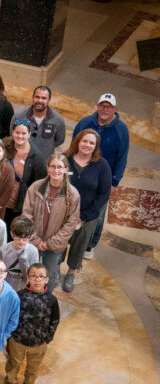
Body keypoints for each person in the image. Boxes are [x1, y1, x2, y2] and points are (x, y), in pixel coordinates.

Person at [72, 93, 129, 260]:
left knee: (97, 213)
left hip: (104, 178)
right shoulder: (85, 123)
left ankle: (89, 244)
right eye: (102, 106)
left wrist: (114, 182)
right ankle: (71, 236)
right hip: (80, 172)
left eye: (109, 107)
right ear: (97, 106)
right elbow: (73, 145)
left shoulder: (121, 129)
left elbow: (122, 156)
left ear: (115, 109)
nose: (105, 109)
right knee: (73, 205)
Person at [0, 263, 60, 384]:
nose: (37, 280)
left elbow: (54, 320)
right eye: (33, 276)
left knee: (32, 368)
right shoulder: (18, 296)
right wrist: (10, 336)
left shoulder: (51, 300)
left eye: (41, 277)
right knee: (13, 364)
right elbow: (10, 316)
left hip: (39, 343)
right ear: (28, 278)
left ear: (47, 280)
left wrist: (48, 337)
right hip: (18, 341)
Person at [60, 129, 111, 293]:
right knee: (59, 242)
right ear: (78, 141)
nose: (87, 145)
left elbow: (104, 194)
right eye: (85, 141)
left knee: (79, 246)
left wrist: (85, 216)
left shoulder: (102, 165)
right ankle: (54, 269)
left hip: (87, 217)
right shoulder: (64, 159)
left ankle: (71, 273)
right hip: (61, 213)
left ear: (95, 147)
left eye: (91, 143)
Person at [22, 153, 80, 291]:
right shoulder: (36, 187)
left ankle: (47, 300)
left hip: (55, 245)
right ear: (47, 168)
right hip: (33, 240)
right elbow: (26, 214)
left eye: (60, 167)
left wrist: (49, 243)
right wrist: (35, 239)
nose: (56, 170)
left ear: (66, 169)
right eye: (53, 166)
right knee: (29, 272)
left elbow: (71, 223)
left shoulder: (73, 194)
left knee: (51, 276)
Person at [3, 121, 46, 229]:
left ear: (29, 134)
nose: (20, 136)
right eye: (17, 132)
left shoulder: (36, 157)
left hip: (17, 206)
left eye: (24, 133)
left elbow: (40, 185)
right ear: (12, 132)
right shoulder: (4, 147)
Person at [10, 86, 66, 159]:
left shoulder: (58, 120)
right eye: (37, 97)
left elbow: (59, 140)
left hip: (44, 163)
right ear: (33, 97)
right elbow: (12, 134)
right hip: (21, 160)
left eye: (43, 98)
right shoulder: (19, 116)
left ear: (49, 100)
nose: (39, 100)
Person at [0, 216, 39, 291]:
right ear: (12, 233)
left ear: (32, 236)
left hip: (22, 290)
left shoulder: (33, 251)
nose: (21, 241)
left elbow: (32, 278)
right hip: (3, 288)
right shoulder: (3, 250)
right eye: (18, 237)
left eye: (25, 238)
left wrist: (24, 263)